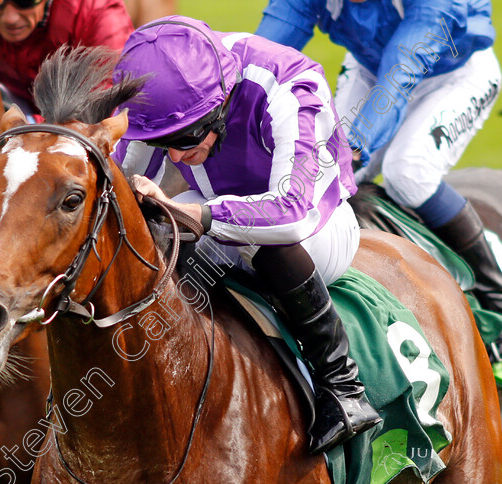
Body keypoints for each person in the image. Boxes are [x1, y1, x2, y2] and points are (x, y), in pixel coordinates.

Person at [112, 15, 381, 454]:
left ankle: (342, 386)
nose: (178, 152)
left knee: (257, 237)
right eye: (166, 141)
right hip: (224, 219)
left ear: (221, 100)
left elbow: (292, 213)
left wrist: (198, 213)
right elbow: (119, 185)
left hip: (316, 232)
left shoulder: (290, 85)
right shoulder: (161, 100)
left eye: (190, 135)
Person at [255, 0, 502, 361]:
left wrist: (352, 148)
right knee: (318, 180)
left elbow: (400, 73)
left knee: (408, 172)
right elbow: (263, 53)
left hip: (453, 75)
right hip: (369, 68)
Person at [0, 0, 134, 115]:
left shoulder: (97, 12)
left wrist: (33, 126)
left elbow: (107, 99)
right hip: (19, 107)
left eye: (25, 0)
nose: (9, 19)